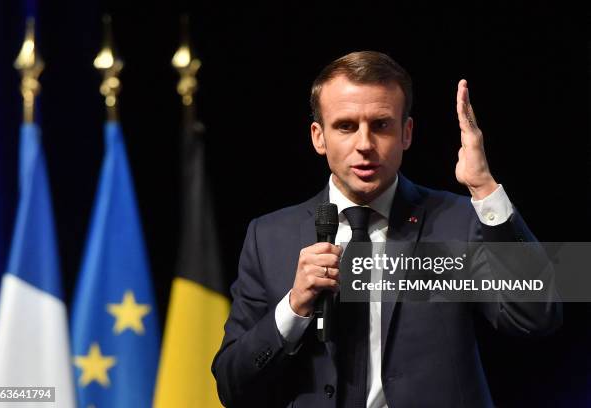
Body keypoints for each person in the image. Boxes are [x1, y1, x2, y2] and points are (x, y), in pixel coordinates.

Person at [211, 51, 561, 408]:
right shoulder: (269, 236)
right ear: (319, 137)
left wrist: (485, 188)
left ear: (406, 133)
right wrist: (294, 306)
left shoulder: (457, 221)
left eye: (380, 125)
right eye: (346, 126)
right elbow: (232, 387)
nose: (364, 144)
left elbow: (536, 316)